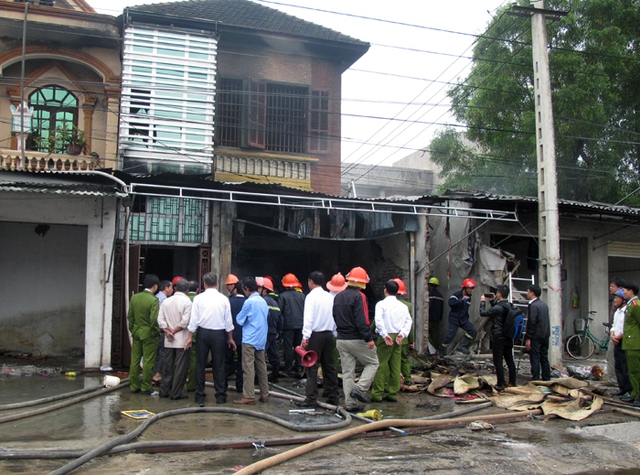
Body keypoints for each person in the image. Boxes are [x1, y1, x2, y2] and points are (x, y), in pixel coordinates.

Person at [185, 272, 236, 406]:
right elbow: (228, 322)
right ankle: (220, 396)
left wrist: (190, 337)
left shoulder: (198, 298)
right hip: (219, 334)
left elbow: (193, 320)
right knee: (219, 365)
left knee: (200, 364)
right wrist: (230, 338)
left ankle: (200, 395)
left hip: (203, 333)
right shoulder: (224, 299)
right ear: (217, 284)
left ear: (204, 284)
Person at [333, 266, 379, 412]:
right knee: (373, 362)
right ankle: (360, 388)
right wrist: (369, 338)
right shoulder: (360, 297)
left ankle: (351, 404)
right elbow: (362, 320)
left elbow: (334, 316)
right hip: (357, 338)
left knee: (347, 373)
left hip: (341, 339)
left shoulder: (338, 296)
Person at [295, 271, 341, 408]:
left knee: (311, 367)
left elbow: (308, 319)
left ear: (310, 281)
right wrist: (334, 332)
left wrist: (305, 337)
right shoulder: (330, 297)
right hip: (328, 335)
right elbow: (334, 317)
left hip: (315, 336)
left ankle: (311, 398)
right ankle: (334, 396)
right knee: (330, 367)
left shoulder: (311, 297)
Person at [370, 280, 412, 402]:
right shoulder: (403, 306)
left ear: (385, 290)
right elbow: (409, 321)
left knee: (381, 364)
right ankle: (393, 393)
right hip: (398, 336)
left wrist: (384, 334)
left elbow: (378, 321)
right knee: (395, 365)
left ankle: (377, 394)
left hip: (386, 337)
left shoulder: (381, 305)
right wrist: (402, 334)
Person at [234, 277, 270, 405]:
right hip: (261, 338)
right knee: (261, 366)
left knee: (248, 367)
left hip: (249, 338)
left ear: (246, 289)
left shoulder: (249, 302)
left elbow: (240, 319)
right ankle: (264, 394)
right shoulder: (263, 302)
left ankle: (249, 395)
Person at [157, 279, 192, 400]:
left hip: (169, 339)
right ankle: (176, 393)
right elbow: (185, 322)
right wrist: (174, 331)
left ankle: (164, 390)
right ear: (187, 290)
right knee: (180, 368)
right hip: (182, 339)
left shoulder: (167, 301)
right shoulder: (187, 302)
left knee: (168, 366)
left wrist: (167, 331)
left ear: (176, 288)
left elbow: (160, 319)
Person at [479, 285, 517, 391]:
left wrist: (483, 302)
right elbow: (499, 310)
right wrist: (492, 301)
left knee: (498, 361)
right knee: (510, 360)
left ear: (499, 294)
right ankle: (512, 382)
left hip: (498, 336)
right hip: (508, 336)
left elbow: (483, 313)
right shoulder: (510, 306)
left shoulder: (498, 308)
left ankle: (500, 383)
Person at [128, 274, 160, 394]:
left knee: (135, 360)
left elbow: (130, 317)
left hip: (137, 332)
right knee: (148, 361)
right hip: (149, 333)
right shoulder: (153, 300)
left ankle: (134, 385)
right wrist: (156, 332)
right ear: (155, 286)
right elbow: (153, 319)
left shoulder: (134, 298)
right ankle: (146, 386)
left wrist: (133, 329)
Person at [440, 278, 478, 356]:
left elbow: (465, 309)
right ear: (465, 288)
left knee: (473, 331)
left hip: (463, 319)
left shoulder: (469, 297)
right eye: (470, 288)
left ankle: (462, 346)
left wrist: (466, 318)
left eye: (472, 288)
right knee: (449, 336)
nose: (471, 290)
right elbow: (451, 303)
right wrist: (460, 300)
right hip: (454, 319)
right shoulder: (456, 295)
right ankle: (442, 351)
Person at [279, 273, 306, 377]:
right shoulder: (302, 296)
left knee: (288, 347)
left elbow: (280, 311)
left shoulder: (282, 296)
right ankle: (299, 368)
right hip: (300, 325)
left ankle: (288, 369)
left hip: (288, 326)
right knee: (298, 347)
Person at [258, 277, 283, 383]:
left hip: (264, 332)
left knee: (260, 356)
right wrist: (278, 331)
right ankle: (275, 376)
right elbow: (280, 318)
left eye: (259, 288)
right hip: (273, 332)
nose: (257, 290)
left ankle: (258, 379)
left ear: (265, 289)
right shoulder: (274, 302)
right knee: (274, 354)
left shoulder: (262, 301)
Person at [525, 284, 551, 381]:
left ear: (532, 293)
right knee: (544, 357)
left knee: (535, 357)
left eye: (528, 291)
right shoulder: (544, 305)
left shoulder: (533, 305)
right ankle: (546, 378)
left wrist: (528, 337)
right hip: (545, 334)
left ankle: (535, 378)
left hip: (536, 335)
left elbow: (532, 322)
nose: (527, 293)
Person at [611, 289, 632, 399]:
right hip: (617, 341)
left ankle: (629, 390)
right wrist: (612, 334)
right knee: (618, 365)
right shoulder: (617, 312)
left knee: (626, 367)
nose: (615, 300)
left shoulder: (627, 311)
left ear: (623, 300)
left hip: (624, 341)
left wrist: (619, 337)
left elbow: (628, 328)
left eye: (617, 298)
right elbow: (614, 325)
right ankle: (622, 388)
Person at [225, 276, 246, 392]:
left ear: (236, 289)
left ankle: (223, 386)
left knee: (227, 361)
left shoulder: (229, 302)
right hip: (244, 337)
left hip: (230, 336)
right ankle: (240, 387)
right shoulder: (248, 302)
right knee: (241, 363)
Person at [393, 278, 415, 386]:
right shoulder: (408, 305)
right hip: (404, 338)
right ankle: (407, 379)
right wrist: (412, 340)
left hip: (389, 338)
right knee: (404, 359)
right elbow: (410, 324)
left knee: (391, 360)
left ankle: (392, 382)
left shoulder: (385, 304)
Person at [622, 281, 640, 407]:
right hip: (630, 343)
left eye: (625, 290)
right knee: (631, 371)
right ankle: (634, 394)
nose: (623, 293)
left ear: (631, 291)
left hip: (635, 343)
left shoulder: (635, 305)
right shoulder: (630, 305)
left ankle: (638, 395)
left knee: (636, 371)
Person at [152, 279, 174, 385]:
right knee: (162, 353)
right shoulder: (163, 300)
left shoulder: (157, 297)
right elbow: (161, 317)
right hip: (162, 330)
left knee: (158, 353)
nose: (172, 290)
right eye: (171, 287)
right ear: (166, 288)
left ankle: (154, 373)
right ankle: (157, 375)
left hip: (157, 329)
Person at [185, 280, 200, 392]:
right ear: (198, 289)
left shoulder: (182, 300)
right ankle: (191, 385)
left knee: (179, 360)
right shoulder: (199, 300)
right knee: (194, 360)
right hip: (195, 335)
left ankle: (176, 384)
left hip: (179, 335)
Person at [428, 277, 444, 349]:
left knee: (427, 334)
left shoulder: (430, 294)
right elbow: (441, 308)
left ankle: (429, 349)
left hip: (429, 317)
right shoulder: (440, 296)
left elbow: (429, 306)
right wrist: (440, 317)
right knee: (435, 335)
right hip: (437, 318)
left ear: (429, 285)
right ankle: (434, 348)